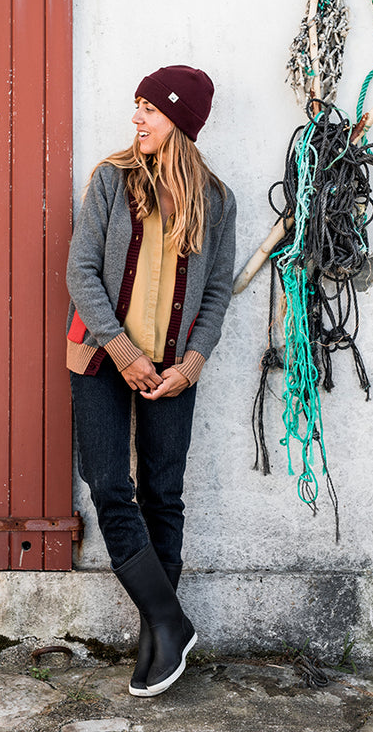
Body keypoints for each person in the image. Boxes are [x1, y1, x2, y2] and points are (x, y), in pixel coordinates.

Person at [66, 65, 236, 697]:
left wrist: (189, 364)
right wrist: (121, 350)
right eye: (136, 105)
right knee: (110, 484)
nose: (136, 118)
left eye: (150, 109)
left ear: (180, 122)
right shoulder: (111, 181)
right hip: (100, 358)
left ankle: (157, 639)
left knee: (163, 493)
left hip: (173, 369)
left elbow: (216, 291)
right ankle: (170, 619)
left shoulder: (217, 201)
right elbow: (81, 270)